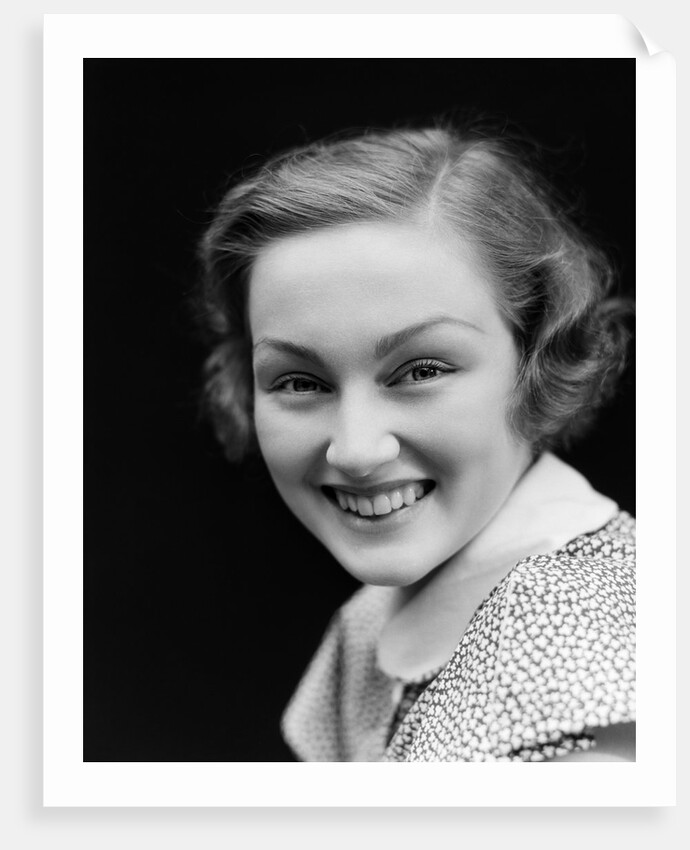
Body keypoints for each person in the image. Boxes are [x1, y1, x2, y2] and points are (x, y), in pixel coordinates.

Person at [196, 124, 635, 762]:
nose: (355, 448)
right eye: (299, 381)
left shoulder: (592, 624)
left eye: (422, 370)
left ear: (535, 356)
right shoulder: (371, 619)